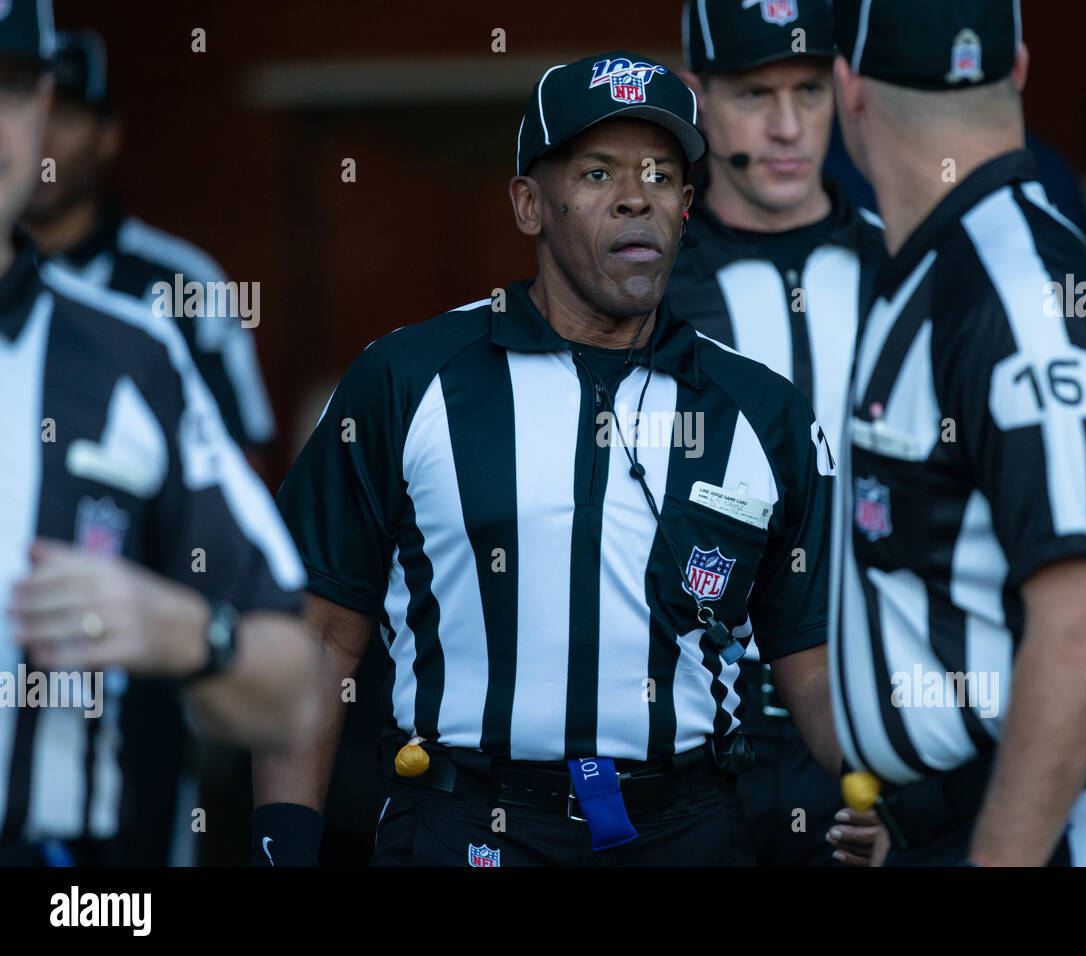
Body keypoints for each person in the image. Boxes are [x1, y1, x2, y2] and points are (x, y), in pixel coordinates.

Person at [252, 50, 842, 867]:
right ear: (530, 205)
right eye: (598, 173)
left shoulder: (762, 412)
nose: (637, 197)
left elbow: (810, 662)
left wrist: (899, 796)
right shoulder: (406, 377)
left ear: (686, 209)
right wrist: (282, 841)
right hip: (463, 822)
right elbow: (317, 635)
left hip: (687, 828)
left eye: (662, 175)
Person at [826, 0, 1086, 865]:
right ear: (1018, 65)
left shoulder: (1012, 284)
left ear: (847, 89)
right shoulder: (945, 271)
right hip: (993, 818)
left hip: (1079, 825)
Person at [0, 0, 317, 868]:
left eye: (16, 86)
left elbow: (247, 496)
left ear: (101, 133)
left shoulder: (150, 323)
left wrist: (184, 624)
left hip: (93, 821)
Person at [668, 0, 884, 866]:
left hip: (875, 715)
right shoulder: (641, 287)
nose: (790, 126)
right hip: (687, 730)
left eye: (809, 89)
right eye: (755, 94)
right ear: (698, 98)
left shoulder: (909, 269)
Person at [20, 28, 276, 466]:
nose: (42, 140)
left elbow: (239, 462)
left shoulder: (185, 282)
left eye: (63, 116)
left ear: (108, 137)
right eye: (25, 113)